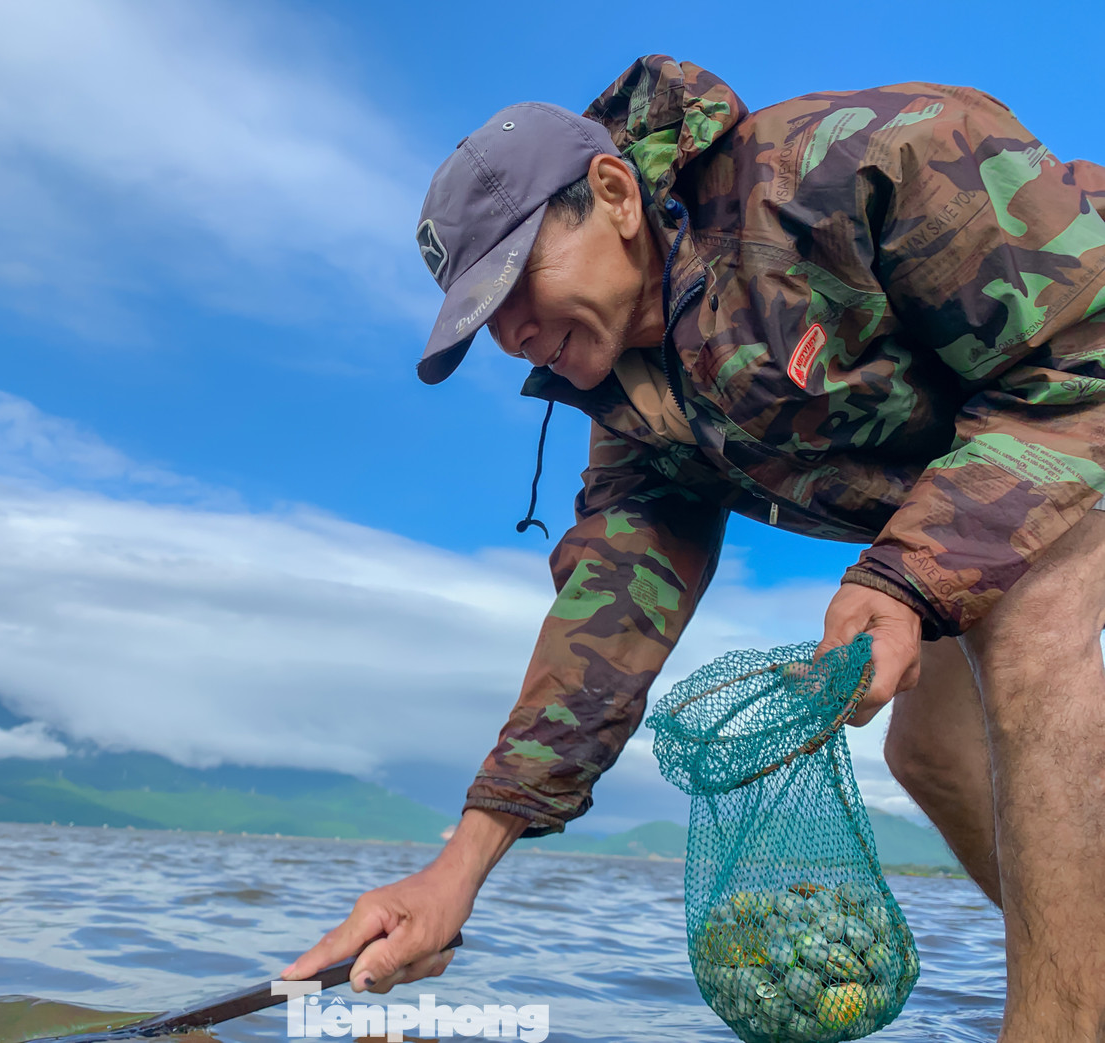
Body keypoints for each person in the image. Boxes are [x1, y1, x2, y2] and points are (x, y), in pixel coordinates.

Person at [282, 54, 1105, 1041]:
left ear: (613, 194)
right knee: (928, 751)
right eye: (481, 318)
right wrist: (454, 870)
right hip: (984, 473)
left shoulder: (852, 163)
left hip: (1069, 393)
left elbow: (1078, 356)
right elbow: (606, 628)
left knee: (1021, 628)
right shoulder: (634, 406)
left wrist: (903, 576)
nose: (509, 333)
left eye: (513, 281)